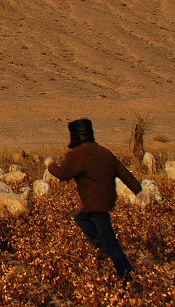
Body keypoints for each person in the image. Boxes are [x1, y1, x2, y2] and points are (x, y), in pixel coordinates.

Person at [44, 118, 142, 283]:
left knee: (111, 244)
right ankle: (100, 243)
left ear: (74, 135)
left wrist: (50, 165)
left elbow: (63, 174)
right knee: (80, 217)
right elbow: (123, 172)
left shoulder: (77, 154)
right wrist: (138, 190)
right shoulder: (103, 151)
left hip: (96, 203)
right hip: (106, 199)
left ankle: (128, 277)